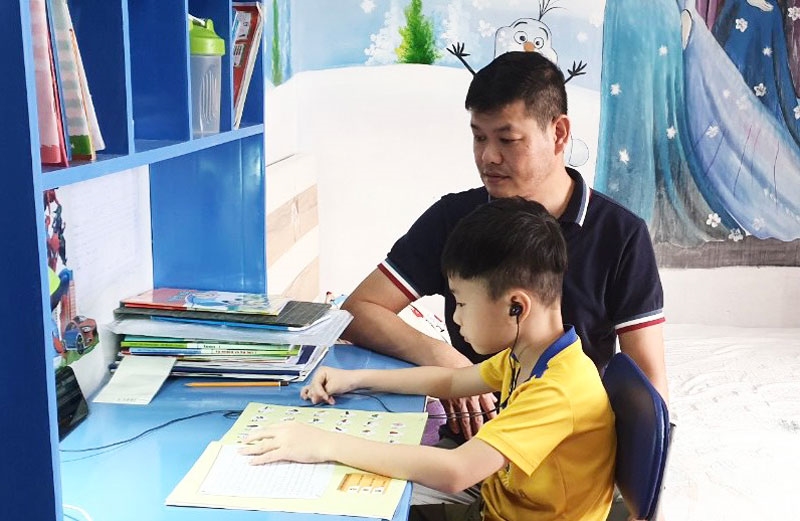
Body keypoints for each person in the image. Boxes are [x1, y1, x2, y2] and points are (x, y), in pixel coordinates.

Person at [340, 50, 668, 441]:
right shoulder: (454, 218)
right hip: (472, 437)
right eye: (479, 137)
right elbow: (359, 308)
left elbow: (647, 383)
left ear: (559, 133)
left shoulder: (620, 234)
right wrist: (447, 361)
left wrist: (637, 469)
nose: (488, 156)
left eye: (507, 140)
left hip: (566, 447)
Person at [242, 197, 617, 521]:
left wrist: (324, 444)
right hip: (494, 507)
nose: (456, 317)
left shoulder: (558, 390)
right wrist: (353, 378)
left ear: (516, 306)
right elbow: (450, 381)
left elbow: (457, 471)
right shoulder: (534, 355)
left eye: (462, 303)